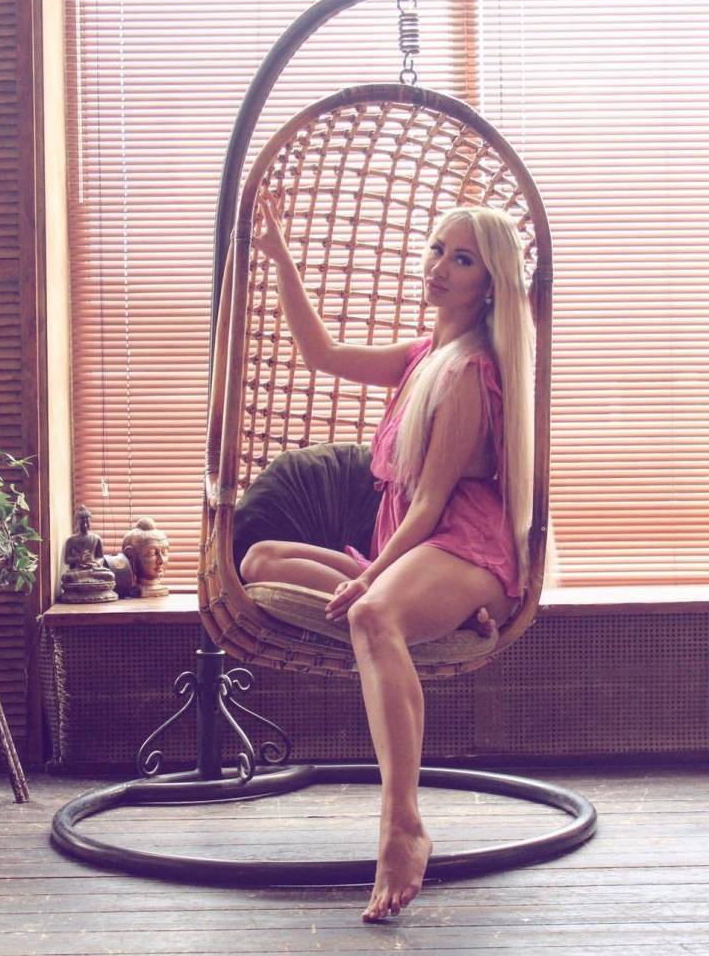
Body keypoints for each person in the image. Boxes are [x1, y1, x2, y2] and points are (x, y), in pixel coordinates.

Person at [241, 189, 535, 922]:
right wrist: (280, 260)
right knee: (259, 561)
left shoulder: (469, 372)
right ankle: (407, 602)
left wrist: (372, 577)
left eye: (462, 260)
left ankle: (402, 825)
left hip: (464, 546)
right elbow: (321, 354)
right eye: (438, 249)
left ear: (488, 284)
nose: (440, 266)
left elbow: (431, 507)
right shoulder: (421, 356)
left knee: (372, 614)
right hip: (413, 546)